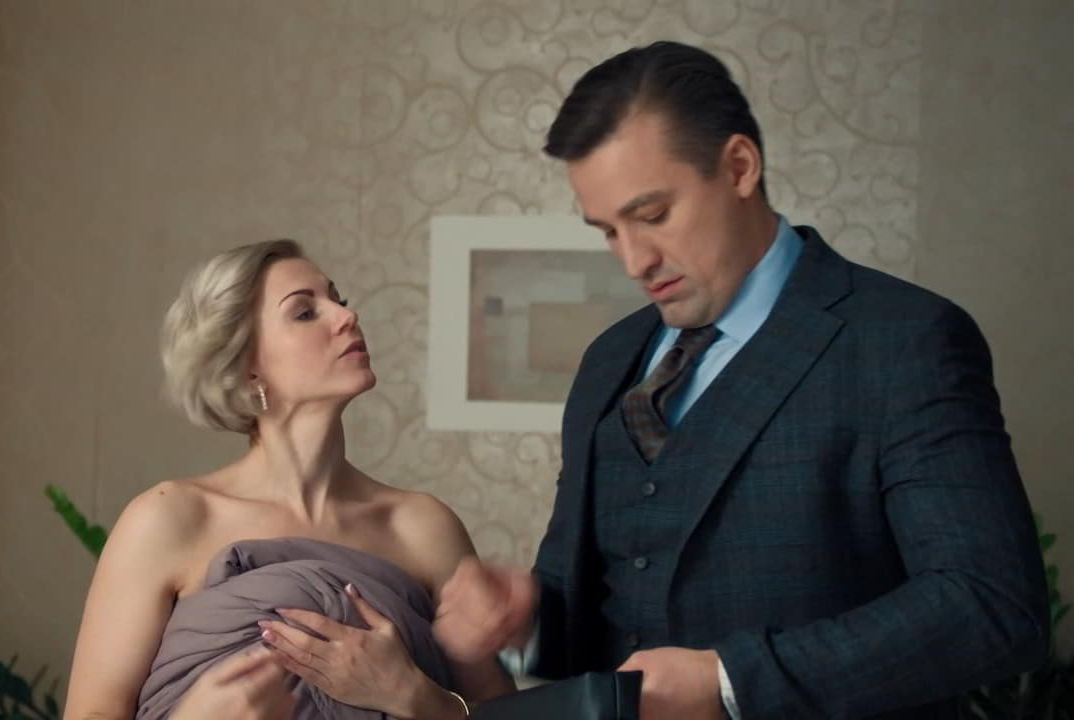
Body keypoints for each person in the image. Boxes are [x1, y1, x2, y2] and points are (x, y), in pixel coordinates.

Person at [432, 41, 1049, 719]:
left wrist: (732, 683)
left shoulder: (904, 339)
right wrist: (523, 622)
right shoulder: (608, 360)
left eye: (652, 215)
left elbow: (993, 606)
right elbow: (599, 617)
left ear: (739, 167)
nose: (634, 261)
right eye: (608, 231)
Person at [63, 240, 512, 720]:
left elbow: (507, 713)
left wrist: (414, 696)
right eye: (304, 312)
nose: (347, 316)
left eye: (338, 299)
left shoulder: (423, 527)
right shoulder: (168, 519)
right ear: (246, 365)